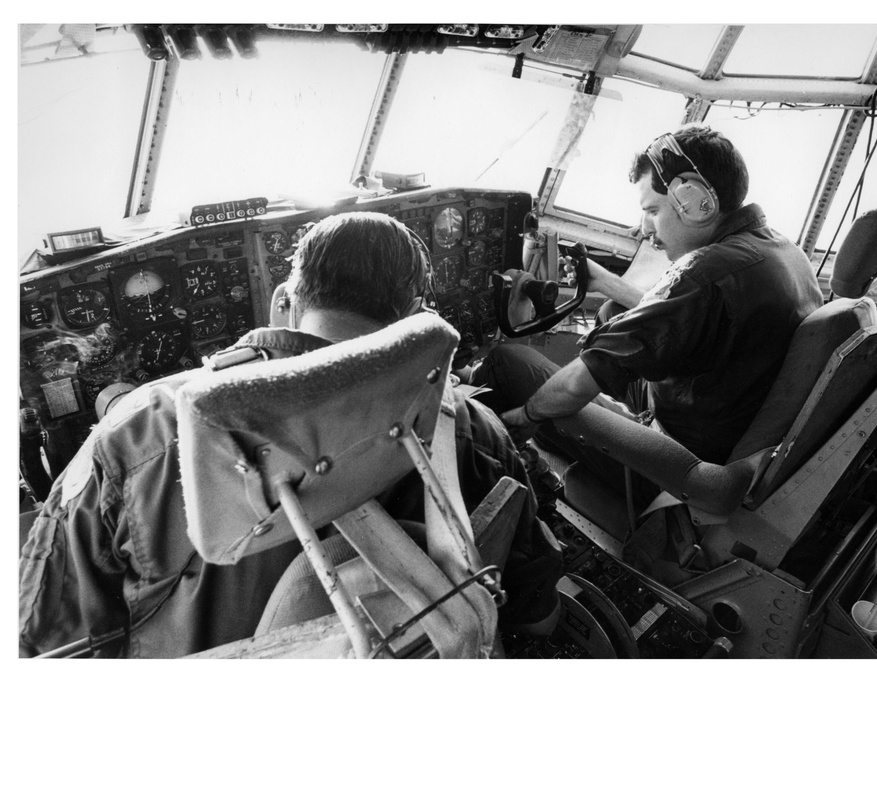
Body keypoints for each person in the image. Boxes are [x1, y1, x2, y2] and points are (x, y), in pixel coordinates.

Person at [19, 212, 562, 658]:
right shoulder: (475, 430)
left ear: (283, 299)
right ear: (413, 320)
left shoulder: (136, 437)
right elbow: (538, 616)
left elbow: (43, 640)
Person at [470, 125, 823, 494]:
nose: (644, 229)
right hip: (715, 420)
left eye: (653, 210)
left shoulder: (704, 273)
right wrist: (606, 282)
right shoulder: (781, 249)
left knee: (507, 363)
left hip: (667, 465)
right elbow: (682, 318)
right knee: (610, 311)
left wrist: (525, 417)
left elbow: (581, 380)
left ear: (695, 201)